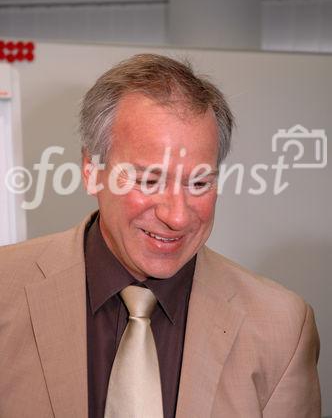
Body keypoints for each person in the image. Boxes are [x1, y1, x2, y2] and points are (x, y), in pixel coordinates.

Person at [0, 54, 320, 418]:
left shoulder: (281, 327)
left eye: (199, 182)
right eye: (150, 180)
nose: (177, 216)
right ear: (92, 172)